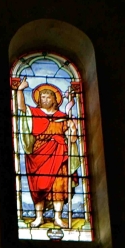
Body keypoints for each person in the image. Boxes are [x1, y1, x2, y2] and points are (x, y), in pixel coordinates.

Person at [15, 80, 78, 228]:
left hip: (59, 152)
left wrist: (72, 130)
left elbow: (72, 139)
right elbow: (21, 107)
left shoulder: (63, 116)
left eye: (48, 97)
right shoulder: (34, 113)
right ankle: (39, 217)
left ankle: (57, 217)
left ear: (55, 99)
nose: (45, 99)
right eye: (42, 97)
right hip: (38, 153)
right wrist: (20, 90)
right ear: (38, 99)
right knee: (38, 186)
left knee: (59, 186)